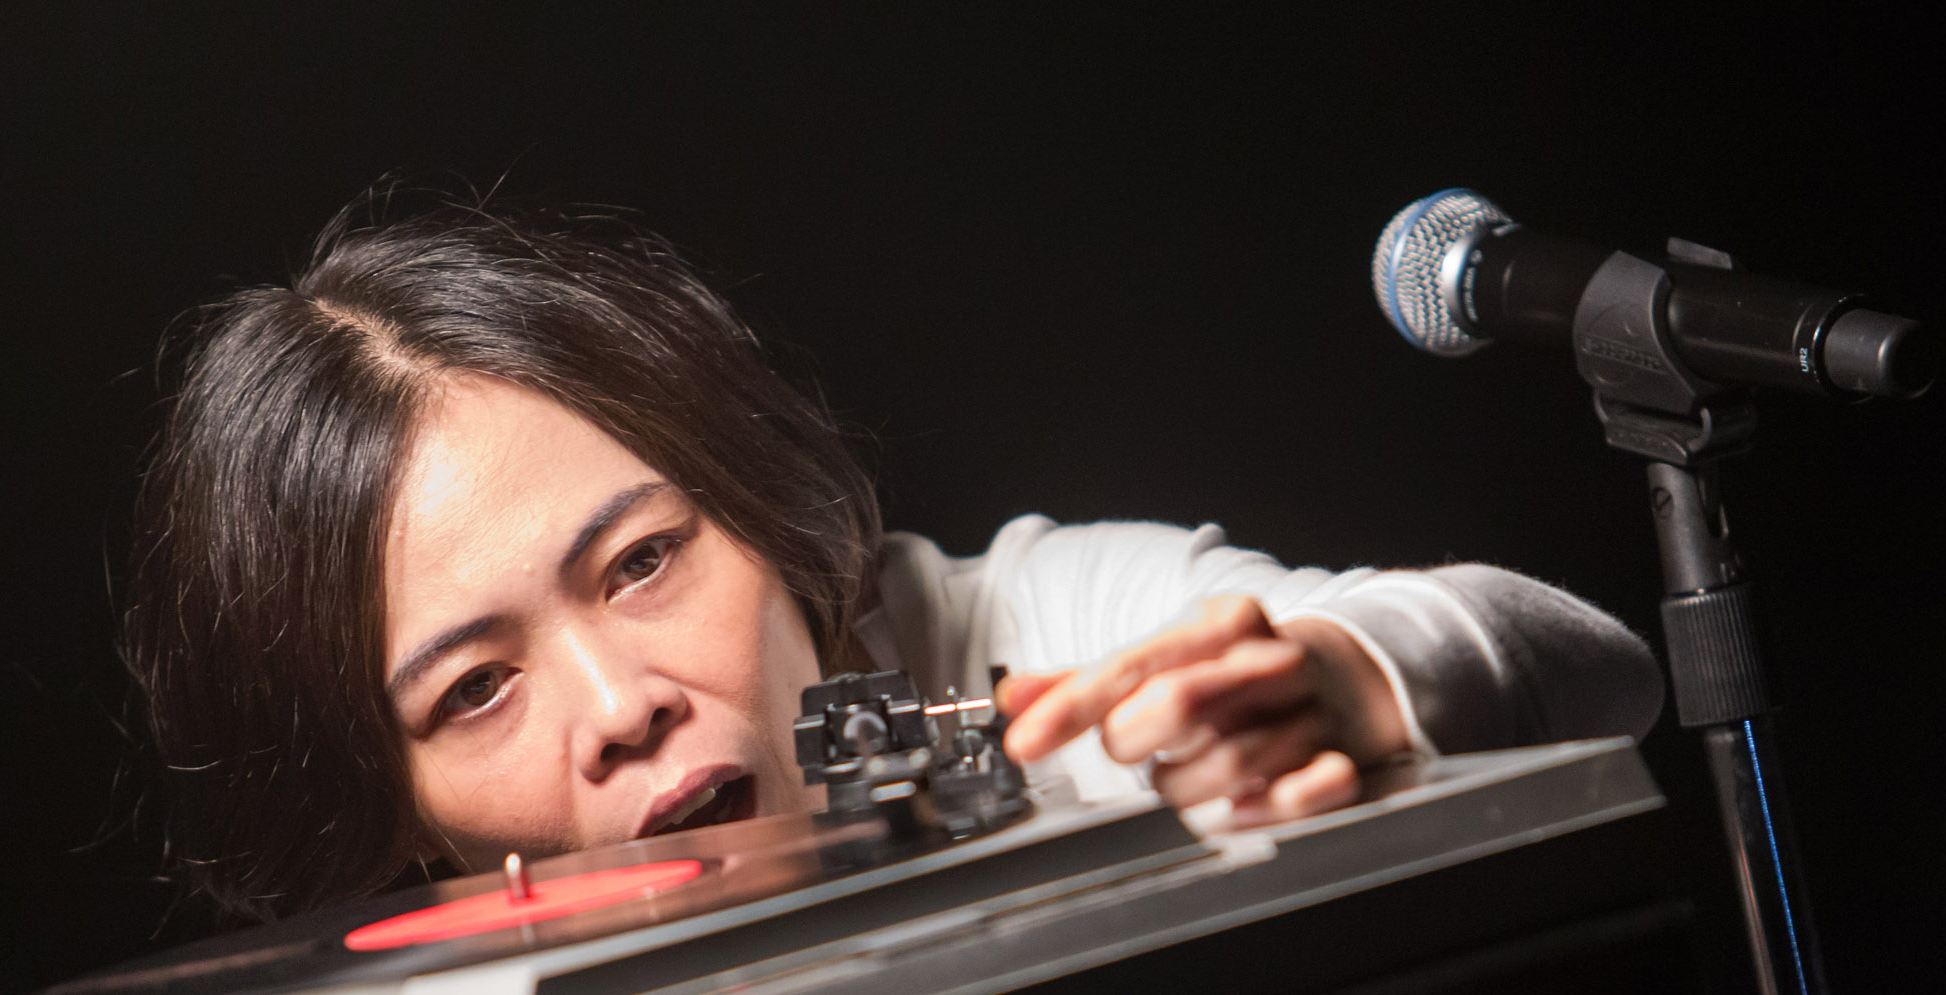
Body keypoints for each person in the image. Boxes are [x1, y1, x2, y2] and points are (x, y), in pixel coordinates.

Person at [127, 206, 1662, 923]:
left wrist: (1342, 679)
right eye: (473, 690)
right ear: (394, 808)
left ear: (751, 507)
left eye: (645, 561)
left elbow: (1586, 662)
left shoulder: (1019, 638)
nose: (620, 707)